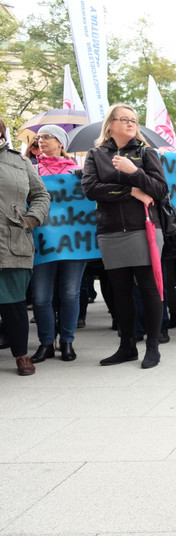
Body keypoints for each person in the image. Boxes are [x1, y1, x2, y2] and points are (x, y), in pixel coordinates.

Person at [81, 104, 169, 368]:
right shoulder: (96, 155)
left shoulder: (146, 152)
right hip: (109, 230)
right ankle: (127, 346)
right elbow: (91, 189)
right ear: (110, 124)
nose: (131, 124)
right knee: (120, 291)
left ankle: (152, 347)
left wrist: (136, 173)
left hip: (144, 229)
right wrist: (129, 191)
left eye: (134, 120)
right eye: (124, 119)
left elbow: (161, 190)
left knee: (148, 288)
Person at [28, 126, 85, 364]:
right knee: (40, 298)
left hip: (73, 243)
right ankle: (45, 343)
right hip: (42, 242)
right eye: (38, 137)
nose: (41, 141)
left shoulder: (78, 172)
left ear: (60, 143)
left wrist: (87, 181)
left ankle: (67, 341)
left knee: (70, 294)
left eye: (47, 137)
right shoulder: (30, 170)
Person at [0, 118, 51, 375]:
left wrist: (32, 219)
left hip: (13, 241)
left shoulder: (19, 161)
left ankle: (21, 355)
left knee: (14, 303)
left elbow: (41, 194)